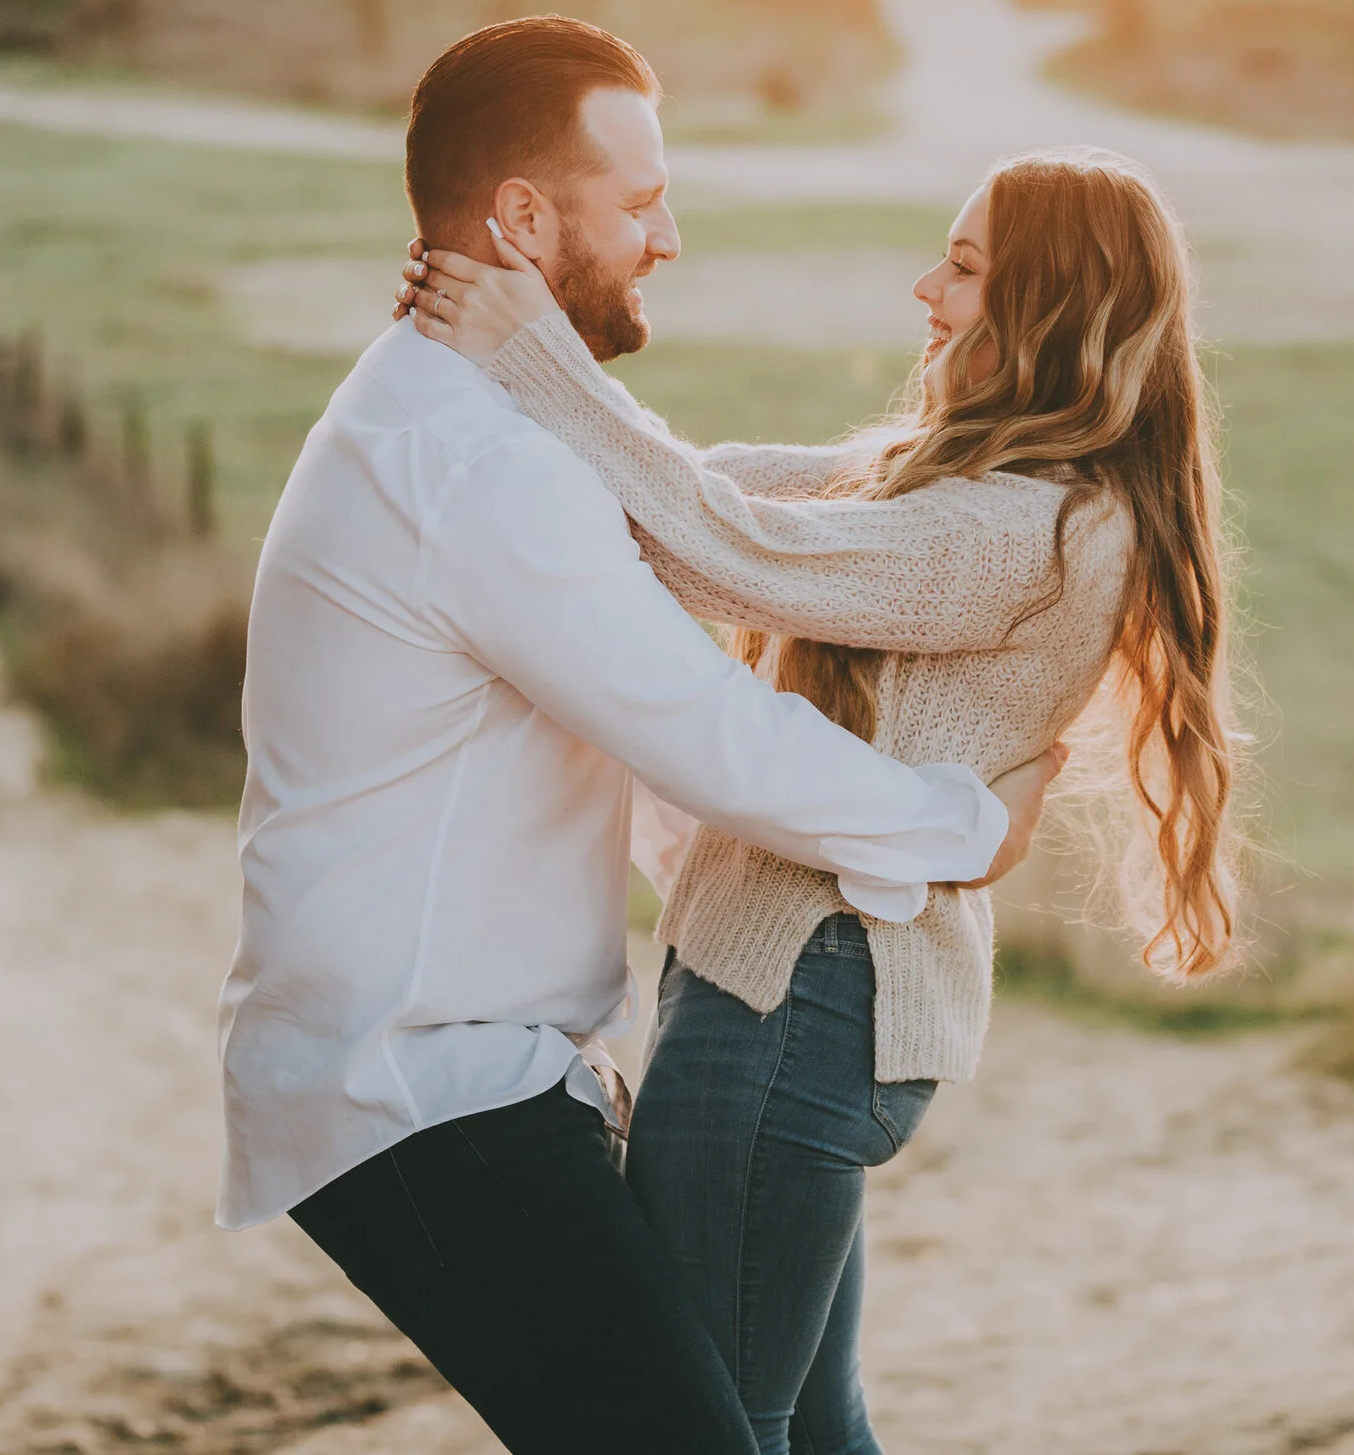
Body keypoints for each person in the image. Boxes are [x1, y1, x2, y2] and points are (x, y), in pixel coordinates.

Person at [219, 14, 1068, 1455]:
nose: (669, 235)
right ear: (526, 218)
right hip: (414, 1085)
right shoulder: (468, 460)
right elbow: (699, 726)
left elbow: (636, 713)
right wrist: (957, 828)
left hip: (478, 1067)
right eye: (639, 201)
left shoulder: (478, 419)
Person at [401, 143, 1243, 1454]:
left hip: (803, 998)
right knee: (806, 1424)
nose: (925, 288)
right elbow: (725, 486)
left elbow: (737, 546)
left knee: (707, 1424)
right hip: (799, 996)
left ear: (1051, 307)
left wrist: (533, 358)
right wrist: (571, 420)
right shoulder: (956, 485)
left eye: (962, 270)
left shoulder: (1032, 530)